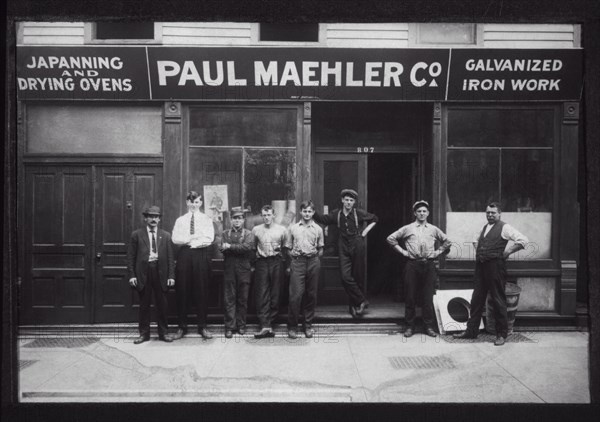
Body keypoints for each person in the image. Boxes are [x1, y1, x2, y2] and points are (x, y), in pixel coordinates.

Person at [453, 202, 528, 346]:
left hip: (496, 267)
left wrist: (508, 251)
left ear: (499, 213)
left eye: (493, 213)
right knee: (476, 299)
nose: (490, 215)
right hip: (481, 267)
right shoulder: (484, 228)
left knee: (498, 300)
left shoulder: (504, 227)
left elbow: (523, 240)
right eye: (488, 212)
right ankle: (471, 331)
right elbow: (475, 241)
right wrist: (481, 251)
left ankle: (501, 334)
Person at [386, 200, 451, 338]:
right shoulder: (408, 228)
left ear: (428, 213)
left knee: (428, 297)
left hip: (429, 265)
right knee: (410, 296)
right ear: (415, 213)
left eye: (424, 211)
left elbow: (447, 241)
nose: (422, 214)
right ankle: (409, 326)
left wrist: (437, 252)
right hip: (412, 265)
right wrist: (403, 252)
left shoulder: (433, 229)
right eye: (419, 211)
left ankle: (428, 326)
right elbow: (391, 238)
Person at [313, 189, 377, 318]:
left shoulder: (359, 213)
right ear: (342, 200)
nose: (348, 202)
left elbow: (375, 218)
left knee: (357, 275)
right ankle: (362, 300)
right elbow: (322, 219)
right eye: (346, 200)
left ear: (354, 202)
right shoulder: (336, 214)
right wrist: (312, 210)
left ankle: (355, 307)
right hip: (343, 246)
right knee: (345, 277)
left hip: (357, 244)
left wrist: (364, 232)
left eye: (351, 200)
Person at [126, 206, 175, 344]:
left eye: (156, 217)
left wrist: (171, 276)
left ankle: (163, 333)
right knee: (144, 305)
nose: (154, 219)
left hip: (161, 273)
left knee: (162, 305)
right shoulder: (137, 234)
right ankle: (144, 334)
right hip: (143, 272)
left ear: (159, 219)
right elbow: (131, 257)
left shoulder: (165, 235)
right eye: (151, 216)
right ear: (145, 218)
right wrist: (132, 275)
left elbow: (170, 257)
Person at [171, 191, 217, 340]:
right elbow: (175, 239)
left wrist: (194, 242)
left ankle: (202, 326)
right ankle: (181, 327)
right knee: (182, 290)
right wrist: (192, 237)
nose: (193, 205)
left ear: (201, 203)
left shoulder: (206, 219)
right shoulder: (180, 220)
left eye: (196, 202)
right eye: (191, 202)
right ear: (186, 202)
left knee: (202, 290)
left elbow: (209, 238)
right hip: (184, 255)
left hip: (201, 254)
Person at [284, 200, 324, 339]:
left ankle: (308, 326)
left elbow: (321, 248)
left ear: (313, 213)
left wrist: (313, 259)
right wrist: (295, 258)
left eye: (310, 211)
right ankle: (292, 326)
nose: (307, 214)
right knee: (295, 295)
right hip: (298, 262)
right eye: (305, 211)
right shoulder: (293, 228)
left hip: (313, 261)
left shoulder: (318, 229)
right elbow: (288, 247)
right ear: (300, 212)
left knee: (311, 295)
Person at [252, 205, 288, 339]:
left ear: (274, 215)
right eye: (264, 215)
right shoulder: (256, 230)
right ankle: (264, 325)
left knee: (276, 293)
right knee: (262, 293)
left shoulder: (282, 230)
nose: (267, 218)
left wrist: (287, 265)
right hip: (261, 262)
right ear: (262, 216)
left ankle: (270, 322)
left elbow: (285, 248)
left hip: (277, 262)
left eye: (269, 215)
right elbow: (253, 247)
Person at [220, 206, 255, 338]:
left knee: (242, 299)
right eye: (234, 218)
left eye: (239, 218)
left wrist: (230, 246)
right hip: (229, 269)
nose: (237, 221)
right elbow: (221, 248)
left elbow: (247, 247)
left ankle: (241, 325)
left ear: (243, 220)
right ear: (231, 219)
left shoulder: (249, 234)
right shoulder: (225, 234)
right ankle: (229, 327)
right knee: (229, 299)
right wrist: (233, 248)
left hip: (244, 270)